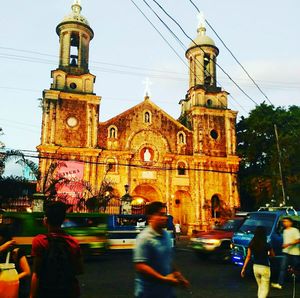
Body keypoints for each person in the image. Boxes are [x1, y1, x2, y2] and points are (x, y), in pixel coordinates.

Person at [133, 201, 190, 298]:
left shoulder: (167, 235)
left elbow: (167, 258)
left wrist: (178, 275)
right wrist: (164, 279)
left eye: (165, 214)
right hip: (148, 293)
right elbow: (141, 266)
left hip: (166, 291)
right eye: (160, 215)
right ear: (151, 217)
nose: (164, 218)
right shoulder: (144, 238)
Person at [30, 201, 83, 298]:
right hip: (68, 292)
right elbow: (79, 270)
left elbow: (36, 273)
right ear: (63, 220)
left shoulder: (39, 241)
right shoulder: (73, 243)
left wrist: (32, 295)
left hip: (47, 292)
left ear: (46, 220)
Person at [241, 226, 274, 298]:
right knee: (265, 288)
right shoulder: (267, 244)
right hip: (265, 267)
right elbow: (272, 255)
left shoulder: (252, 244)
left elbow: (248, 256)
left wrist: (243, 268)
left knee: (260, 286)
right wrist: (268, 255)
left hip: (255, 267)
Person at [0, 225, 31, 298]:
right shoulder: (1, 250)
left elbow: (27, 271)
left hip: (15, 289)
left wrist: (11, 278)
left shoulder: (16, 251)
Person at [271, 216, 300, 290]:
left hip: (295, 253)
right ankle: (280, 284)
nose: (284, 223)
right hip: (286, 253)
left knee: (296, 267)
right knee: (282, 268)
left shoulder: (295, 230)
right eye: (283, 222)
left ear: (290, 222)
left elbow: (298, 240)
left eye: (286, 221)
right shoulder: (284, 231)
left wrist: (288, 244)